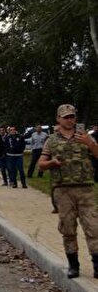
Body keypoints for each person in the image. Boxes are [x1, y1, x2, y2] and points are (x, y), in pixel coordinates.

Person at [37, 104, 98, 279]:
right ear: (58, 119)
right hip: (63, 191)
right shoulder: (52, 140)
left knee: (93, 228)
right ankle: (73, 265)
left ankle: (97, 265)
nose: (70, 120)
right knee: (68, 229)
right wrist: (52, 163)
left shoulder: (85, 137)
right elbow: (41, 164)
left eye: (72, 116)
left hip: (85, 189)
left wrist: (90, 143)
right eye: (66, 117)